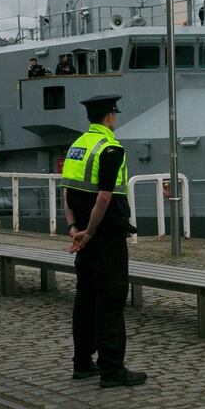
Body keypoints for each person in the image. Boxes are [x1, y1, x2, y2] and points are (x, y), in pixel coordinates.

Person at [63, 95, 146, 388]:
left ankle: (82, 363)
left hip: (83, 235)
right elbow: (105, 195)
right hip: (105, 236)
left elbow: (67, 191)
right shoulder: (110, 148)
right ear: (110, 117)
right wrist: (91, 232)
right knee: (111, 299)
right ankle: (112, 370)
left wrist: (75, 228)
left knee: (85, 298)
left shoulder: (77, 146)